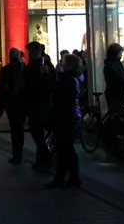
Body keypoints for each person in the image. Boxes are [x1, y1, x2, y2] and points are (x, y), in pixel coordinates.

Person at [45, 54, 82, 190]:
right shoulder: (72, 78)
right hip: (68, 117)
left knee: (63, 149)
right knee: (67, 148)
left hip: (65, 117)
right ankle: (72, 177)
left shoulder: (68, 79)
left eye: (64, 62)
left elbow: (60, 98)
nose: (62, 64)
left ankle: (62, 178)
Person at [24, 41, 54, 172]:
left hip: (38, 103)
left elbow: (48, 84)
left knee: (38, 132)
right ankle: (42, 159)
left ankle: (45, 159)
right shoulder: (39, 65)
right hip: (37, 103)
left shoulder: (41, 66)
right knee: (37, 133)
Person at [0, 47, 27, 164]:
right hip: (23, 101)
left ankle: (16, 155)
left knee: (14, 128)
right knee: (20, 128)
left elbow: (1, 87)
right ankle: (20, 153)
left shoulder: (6, 69)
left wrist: (0, 103)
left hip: (11, 102)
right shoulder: (24, 68)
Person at [103, 43, 124, 112]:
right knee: (117, 113)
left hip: (119, 93)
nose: (121, 55)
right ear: (115, 53)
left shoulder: (117, 63)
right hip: (114, 95)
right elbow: (119, 79)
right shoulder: (110, 66)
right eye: (120, 53)